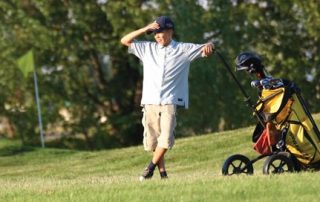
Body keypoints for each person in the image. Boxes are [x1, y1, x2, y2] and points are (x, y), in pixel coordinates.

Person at [120, 16, 215, 181]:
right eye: (155, 33)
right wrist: (145, 29)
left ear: (170, 32)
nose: (157, 36)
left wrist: (210, 46)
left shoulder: (183, 49)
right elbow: (124, 40)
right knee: (152, 142)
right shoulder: (147, 48)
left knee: (166, 138)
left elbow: (207, 47)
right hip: (149, 101)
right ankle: (163, 174)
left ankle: (149, 169)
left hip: (170, 101)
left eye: (160, 32)